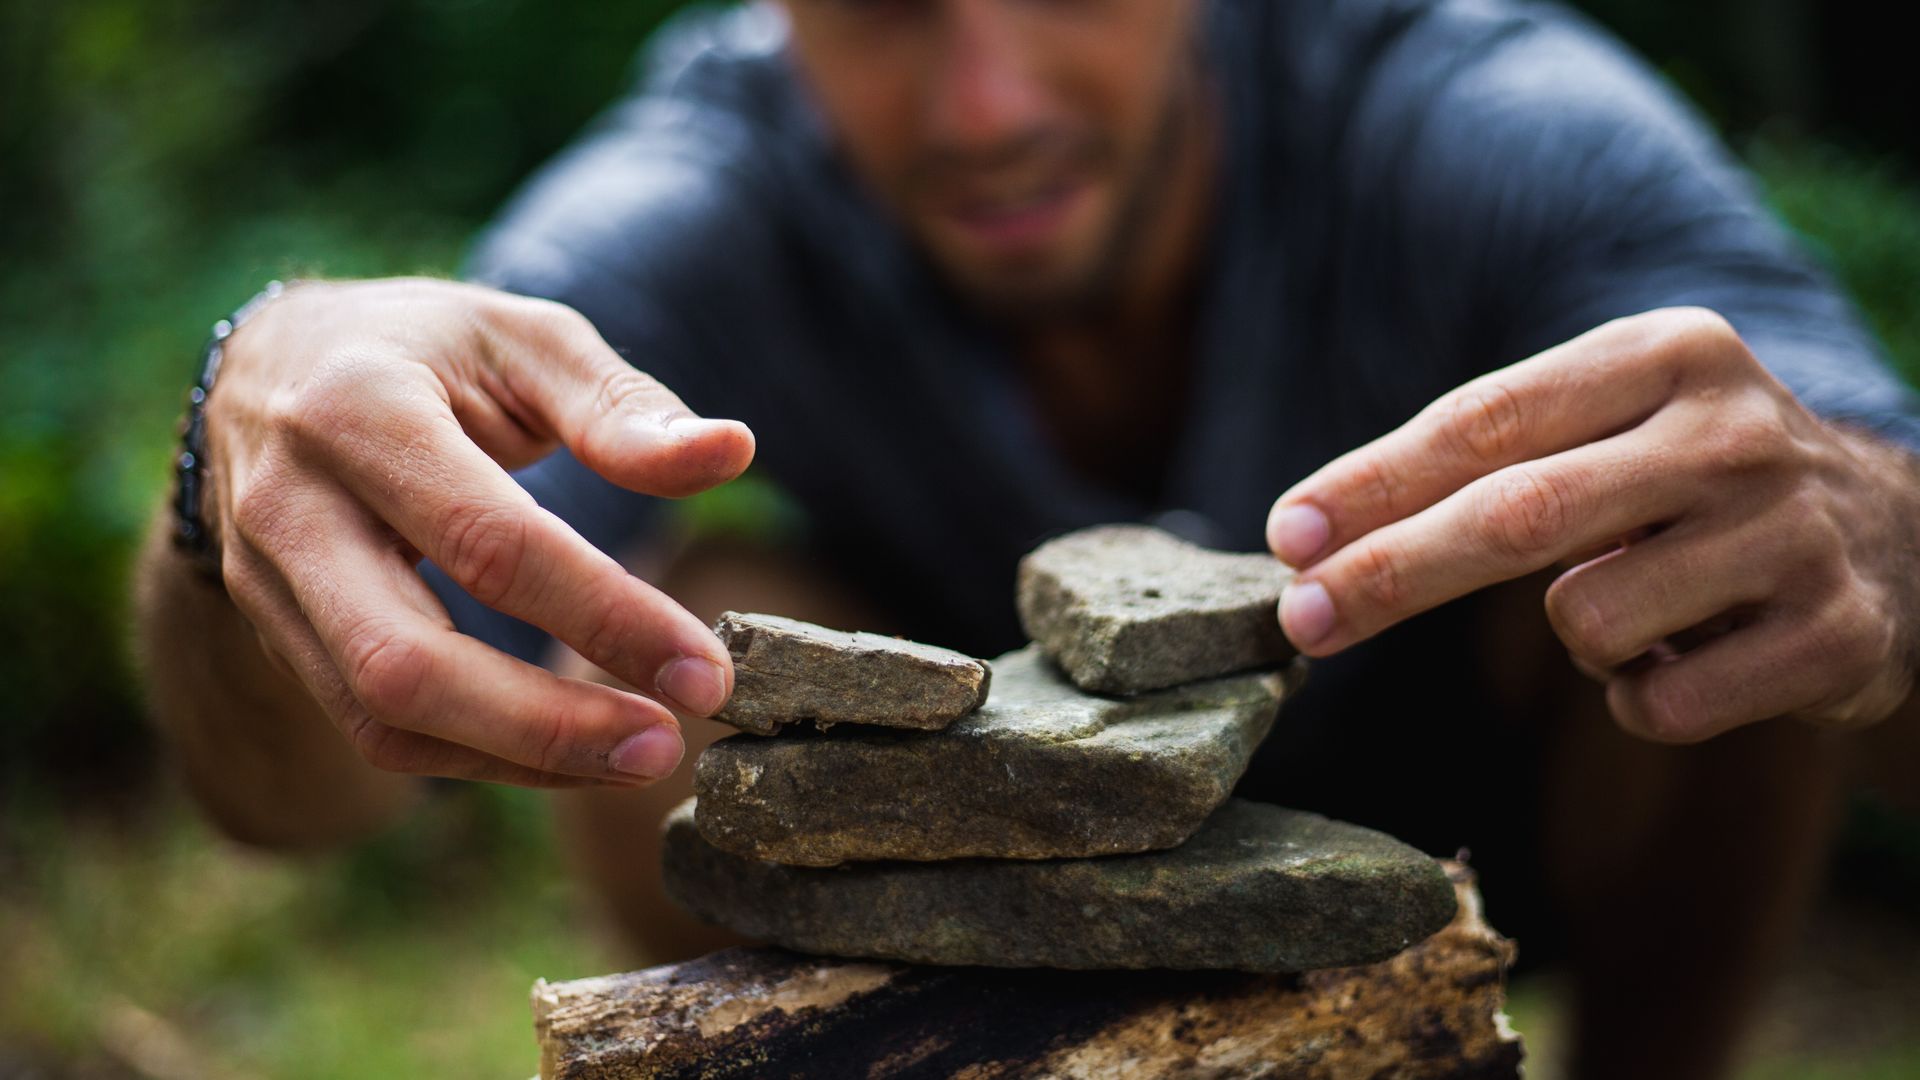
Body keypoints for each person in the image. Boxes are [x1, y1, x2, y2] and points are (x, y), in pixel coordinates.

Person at [134, 0, 1920, 1076]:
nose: (985, 104)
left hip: (1509, 835)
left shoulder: (1487, 115)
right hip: (972, 904)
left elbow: (1856, 560)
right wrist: (244, 475)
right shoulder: (696, 203)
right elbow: (293, 800)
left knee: (1709, 528)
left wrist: (1889, 553)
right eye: (887, 4)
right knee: (681, 629)